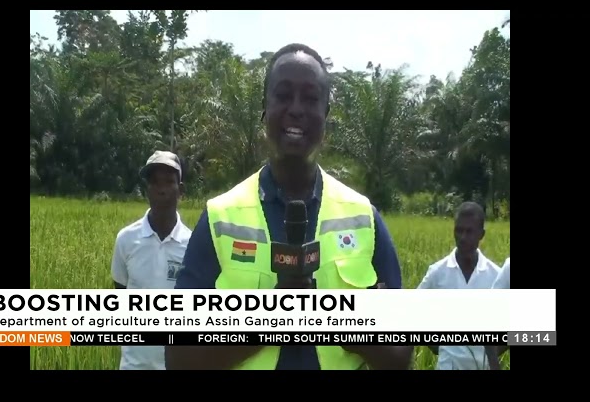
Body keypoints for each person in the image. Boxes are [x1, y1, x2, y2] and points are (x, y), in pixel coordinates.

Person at [166, 43, 412, 370]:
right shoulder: (220, 219)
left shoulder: (363, 218)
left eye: (311, 98)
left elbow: (400, 359)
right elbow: (179, 359)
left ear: (327, 112)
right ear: (264, 108)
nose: (296, 109)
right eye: (283, 95)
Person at [111, 150, 192, 370]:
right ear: (147, 190)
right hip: (133, 365)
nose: (161, 189)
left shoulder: (192, 245)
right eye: (154, 182)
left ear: (180, 190)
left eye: (169, 182)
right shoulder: (126, 239)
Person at [417, 202, 501, 370]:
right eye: (458, 230)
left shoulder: (495, 276)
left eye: (469, 231)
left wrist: (492, 353)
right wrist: (438, 347)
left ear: (481, 234)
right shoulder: (438, 272)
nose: (462, 237)